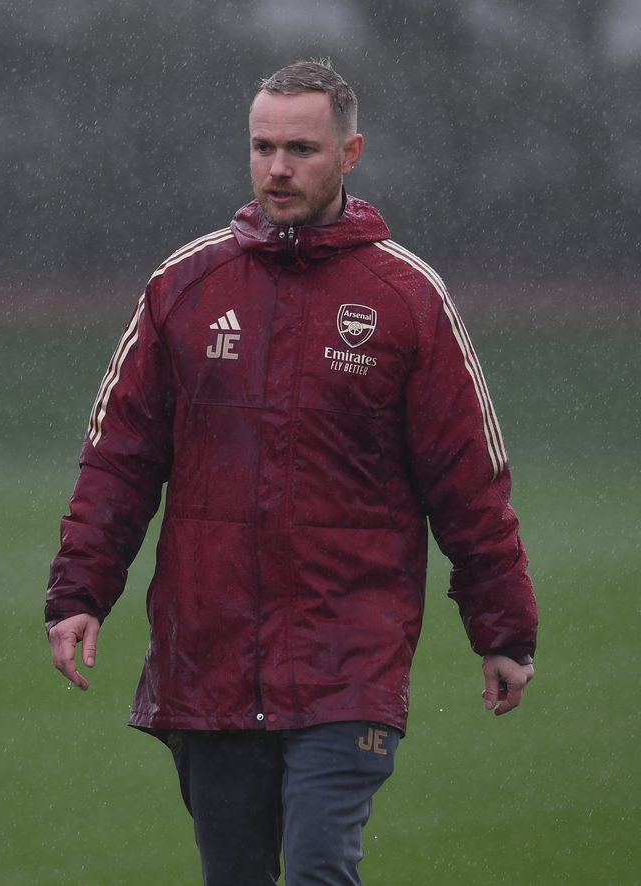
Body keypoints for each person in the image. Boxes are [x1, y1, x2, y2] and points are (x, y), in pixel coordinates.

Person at [45, 60, 538, 885]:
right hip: (210, 653)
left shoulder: (408, 298)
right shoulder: (183, 285)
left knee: (318, 865)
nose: (277, 167)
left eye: (301, 149)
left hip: (349, 654)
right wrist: (81, 592)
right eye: (262, 146)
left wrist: (503, 629)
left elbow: (469, 480)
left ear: (350, 154)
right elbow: (119, 458)